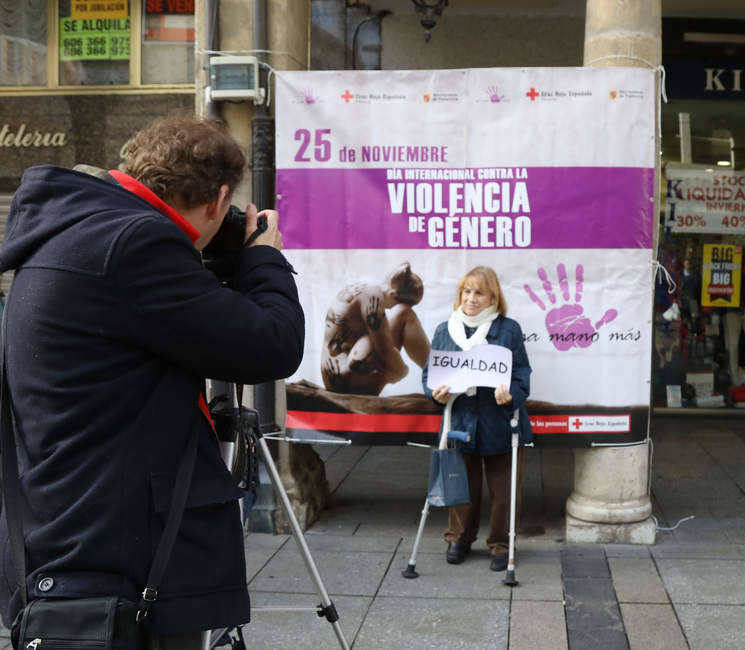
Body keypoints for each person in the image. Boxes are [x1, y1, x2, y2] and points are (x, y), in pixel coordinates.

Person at [0, 115, 305, 648]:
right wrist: (264, 259)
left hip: (70, 534)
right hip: (118, 560)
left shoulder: (80, 228)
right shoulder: (136, 245)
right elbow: (271, 345)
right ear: (217, 200)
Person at [422, 266, 533, 571]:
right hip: (460, 422)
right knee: (460, 485)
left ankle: (501, 544)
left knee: (504, 491)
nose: (471, 299)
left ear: (492, 297)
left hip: (500, 421)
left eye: (479, 292)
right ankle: (458, 538)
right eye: (466, 292)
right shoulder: (445, 330)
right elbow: (430, 375)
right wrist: (436, 393)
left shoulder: (508, 330)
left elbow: (522, 373)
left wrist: (511, 393)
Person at [321, 262, 430, 395]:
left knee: (381, 334)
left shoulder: (365, 287)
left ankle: (434, 370)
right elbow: (385, 351)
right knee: (405, 314)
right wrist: (402, 372)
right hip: (345, 381)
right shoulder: (373, 296)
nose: (391, 309)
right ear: (393, 294)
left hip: (337, 377)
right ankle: (436, 372)